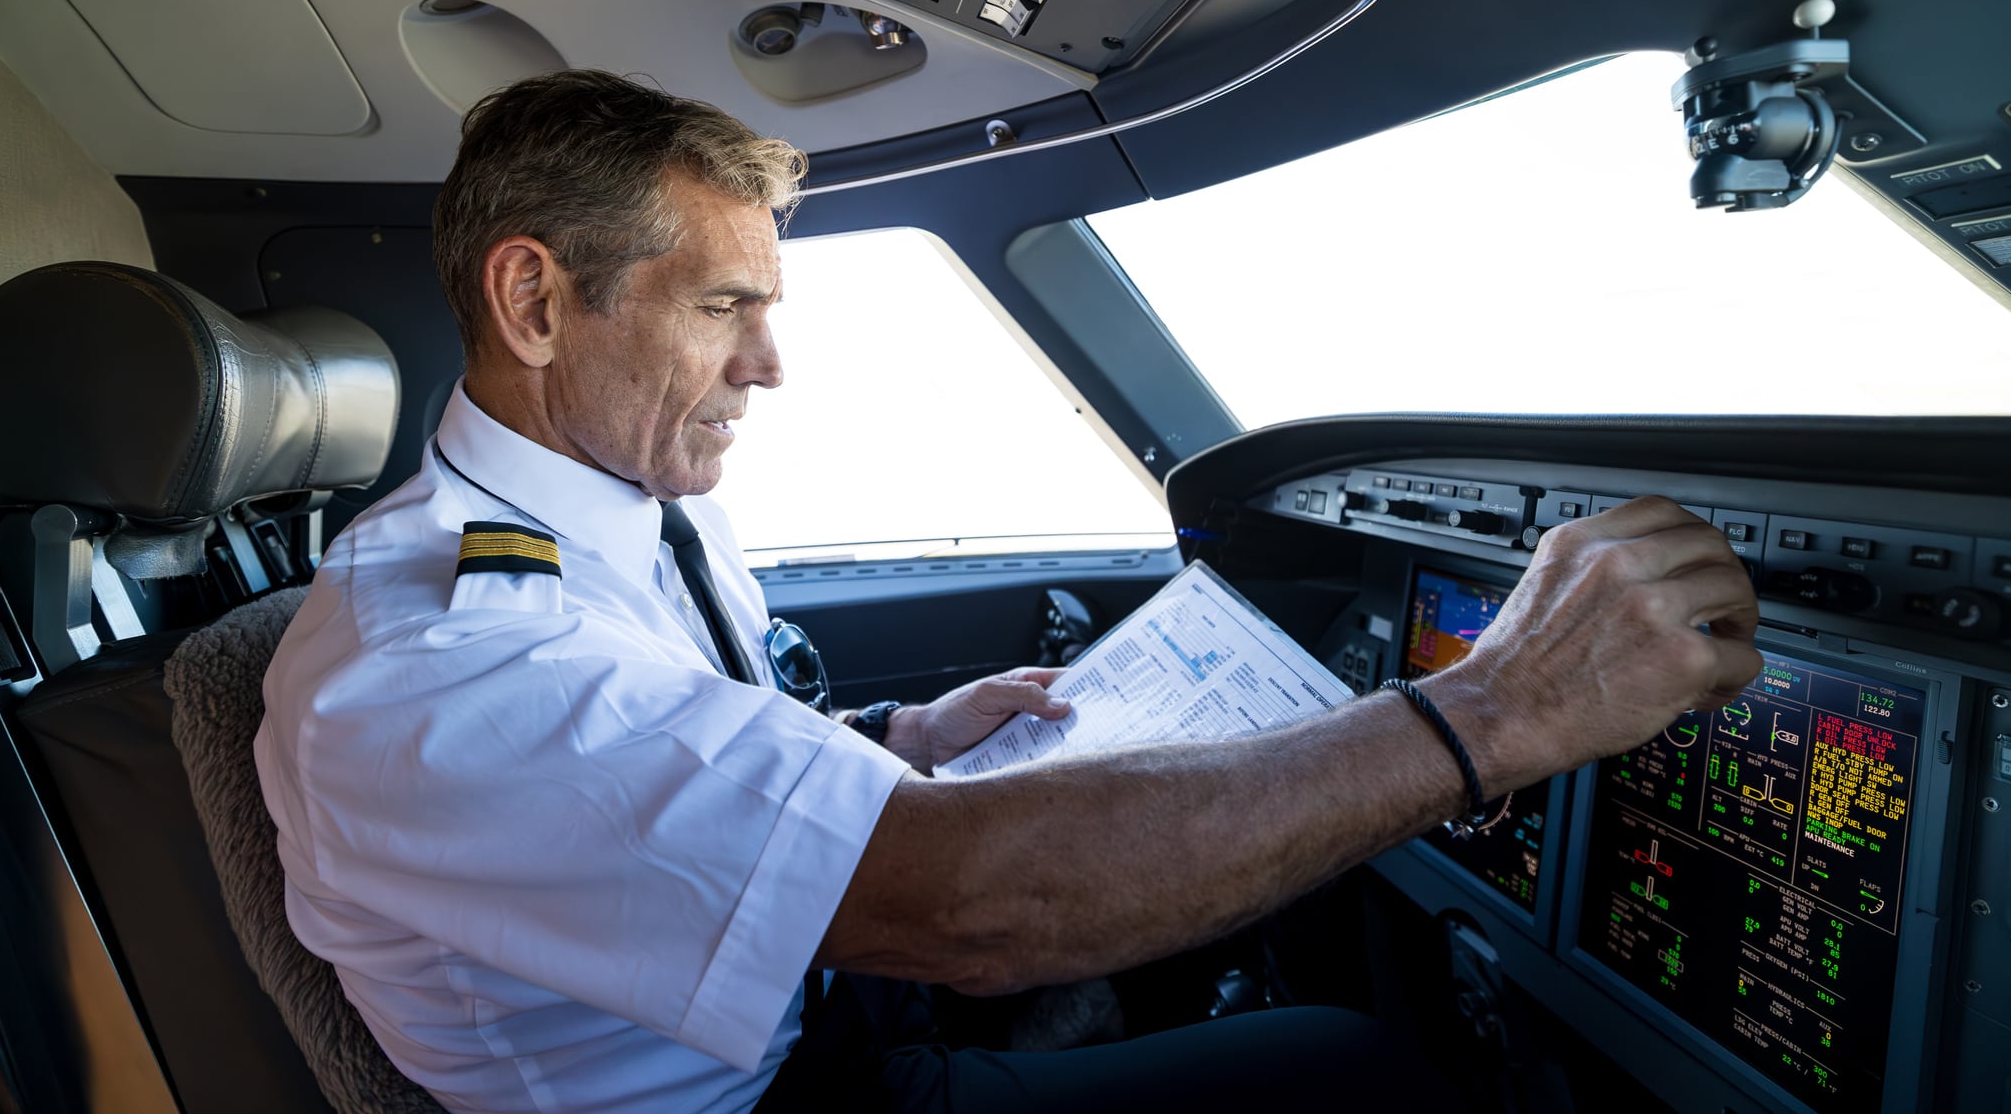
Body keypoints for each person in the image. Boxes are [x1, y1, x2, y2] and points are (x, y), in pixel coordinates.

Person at [255, 70, 1764, 1114]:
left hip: (816, 1009)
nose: (769, 365)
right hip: (779, 1095)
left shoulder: (614, 507)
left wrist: (897, 737)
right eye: (724, 307)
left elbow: (662, 754)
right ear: (534, 299)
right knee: (1352, 1071)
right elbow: (971, 908)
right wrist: (1496, 711)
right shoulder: (442, 659)